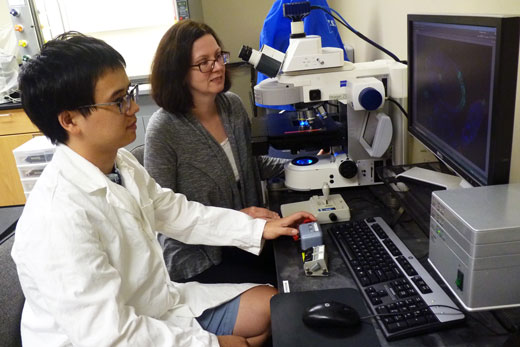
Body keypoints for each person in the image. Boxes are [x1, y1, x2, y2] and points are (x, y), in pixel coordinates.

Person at [12, 31, 315, 347]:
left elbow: (175, 211)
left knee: (275, 306)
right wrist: (215, 345)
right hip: (112, 336)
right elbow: (112, 337)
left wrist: (258, 228)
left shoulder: (120, 163)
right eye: (119, 100)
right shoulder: (55, 218)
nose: (132, 108)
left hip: (158, 305)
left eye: (129, 92)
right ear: (70, 120)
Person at [145, 20, 288, 284]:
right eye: (204, 63)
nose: (219, 67)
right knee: (280, 293)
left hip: (246, 239)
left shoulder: (231, 106)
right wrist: (239, 219)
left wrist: (301, 167)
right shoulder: (164, 129)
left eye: (219, 57)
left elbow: (249, 165)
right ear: (177, 71)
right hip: (200, 257)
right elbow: (162, 213)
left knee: (298, 266)